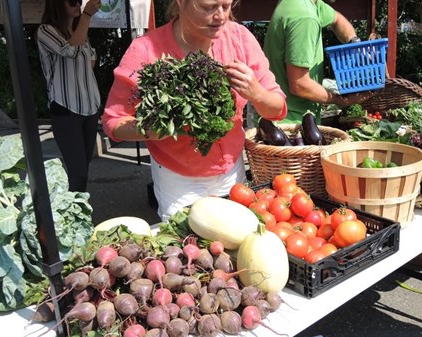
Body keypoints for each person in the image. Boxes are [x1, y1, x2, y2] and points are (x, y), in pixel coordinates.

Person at [102, 0, 287, 221]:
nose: (220, 16)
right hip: (178, 183)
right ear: (180, 3)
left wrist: (257, 93)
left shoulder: (239, 38)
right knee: (188, 247)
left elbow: (277, 109)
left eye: (226, 6)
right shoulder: (146, 49)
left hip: (233, 173)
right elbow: (114, 121)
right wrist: (152, 130)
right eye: (208, 7)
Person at [263, 0, 374, 124]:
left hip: (280, 116)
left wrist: (355, 45)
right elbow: (299, 85)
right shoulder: (305, 18)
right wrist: (340, 100)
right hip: (290, 123)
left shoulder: (302, 3)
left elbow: (337, 19)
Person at [37, 0, 102, 192]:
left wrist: (83, 24)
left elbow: (90, 63)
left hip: (89, 106)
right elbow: (70, 51)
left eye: (79, 2)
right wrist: (87, 15)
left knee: (84, 165)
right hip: (66, 108)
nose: (78, 4)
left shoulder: (79, 31)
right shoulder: (45, 30)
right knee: (78, 172)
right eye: (72, 1)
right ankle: (76, 215)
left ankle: (76, 210)